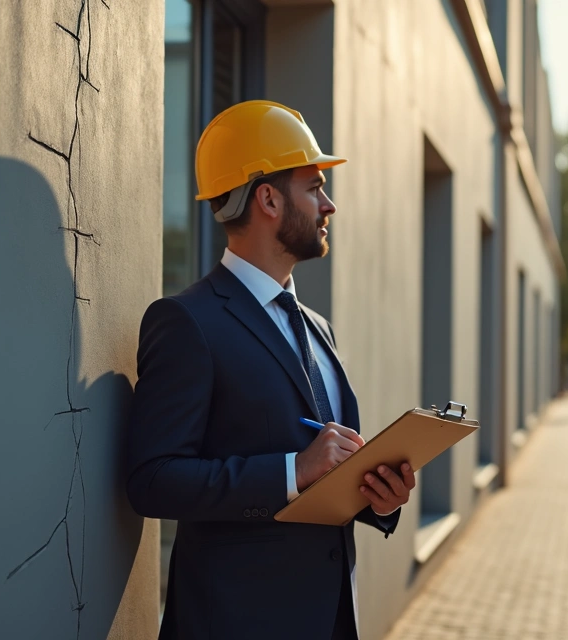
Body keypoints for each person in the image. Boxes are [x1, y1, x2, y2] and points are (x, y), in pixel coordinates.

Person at [126, 100, 415, 640]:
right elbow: (152, 480)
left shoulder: (319, 328)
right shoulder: (188, 322)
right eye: (314, 187)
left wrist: (378, 497)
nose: (328, 205)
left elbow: (331, 475)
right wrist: (291, 472)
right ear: (268, 199)